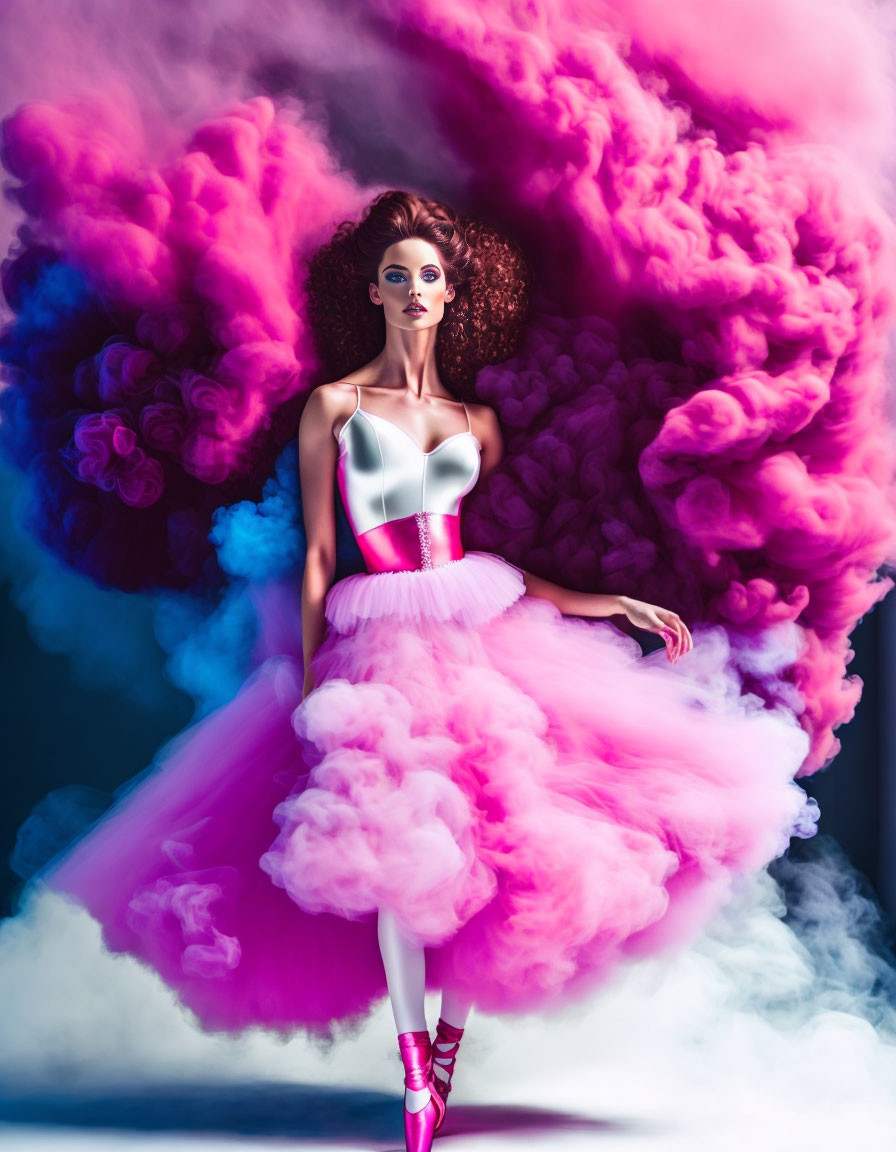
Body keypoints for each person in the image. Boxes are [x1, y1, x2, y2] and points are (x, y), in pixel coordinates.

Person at [34, 190, 814, 1152]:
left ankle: (443, 1052)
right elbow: (322, 557)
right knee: (400, 856)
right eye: (396, 276)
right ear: (372, 291)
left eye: (429, 277)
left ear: (453, 295)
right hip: (378, 643)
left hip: (475, 629)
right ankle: (414, 1073)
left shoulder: (473, 423)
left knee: (487, 853)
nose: (413, 291)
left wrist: (606, 604)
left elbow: (480, 560)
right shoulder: (336, 408)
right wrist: (318, 678)